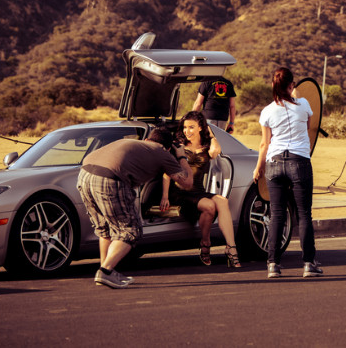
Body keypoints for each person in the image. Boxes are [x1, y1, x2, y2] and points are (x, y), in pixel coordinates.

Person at [77, 129, 193, 289]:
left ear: (147, 139)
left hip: (84, 175)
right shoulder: (162, 152)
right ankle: (105, 270)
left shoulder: (131, 143)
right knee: (130, 231)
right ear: (168, 148)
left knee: (105, 229)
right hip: (110, 179)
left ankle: (107, 272)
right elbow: (187, 182)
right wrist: (181, 156)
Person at [252, 66, 321, 279]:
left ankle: (273, 264)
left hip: (274, 163)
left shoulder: (267, 111)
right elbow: (310, 126)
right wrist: (295, 94)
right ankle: (308, 264)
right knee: (304, 214)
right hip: (299, 161)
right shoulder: (304, 105)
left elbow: (265, 143)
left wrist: (258, 167)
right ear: (292, 85)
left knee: (277, 214)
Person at [159, 111, 241, 268]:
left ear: (201, 128)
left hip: (198, 192)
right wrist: (164, 196)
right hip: (180, 193)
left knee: (222, 201)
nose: (186, 131)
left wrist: (211, 133)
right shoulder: (178, 146)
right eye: (184, 127)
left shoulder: (207, 147)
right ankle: (206, 242)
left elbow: (216, 151)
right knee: (209, 206)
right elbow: (167, 172)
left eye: (191, 127)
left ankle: (231, 248)